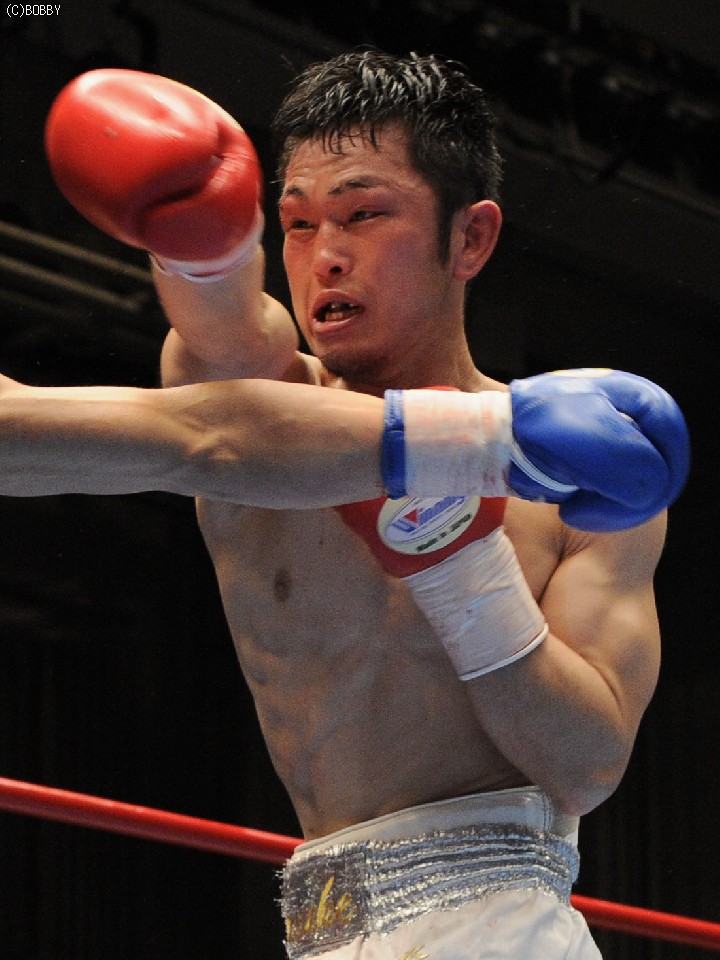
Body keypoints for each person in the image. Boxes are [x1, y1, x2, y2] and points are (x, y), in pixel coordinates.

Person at [9, 50, 689, 958]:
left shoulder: (570, 483)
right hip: (322, 930)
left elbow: (586, 764)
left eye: (364, 214)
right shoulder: (255, 408)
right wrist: (202, 241)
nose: (325, 255)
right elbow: (223, 335)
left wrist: (456, 558)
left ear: (470, 239)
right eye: (295, 224)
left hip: (500, 927)